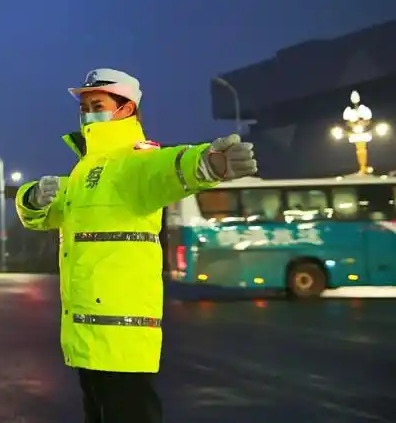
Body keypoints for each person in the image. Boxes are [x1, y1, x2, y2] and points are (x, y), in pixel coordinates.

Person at [14, 68, 257, 423]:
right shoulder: (85, 172)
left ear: (126, 109)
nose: (87, 114)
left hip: (122, 336)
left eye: (97, 104)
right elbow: (41, 215)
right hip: (87, 334)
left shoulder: (133, 162)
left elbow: (169, 168)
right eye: (83, 107)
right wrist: (33, 198)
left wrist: (209, 163)